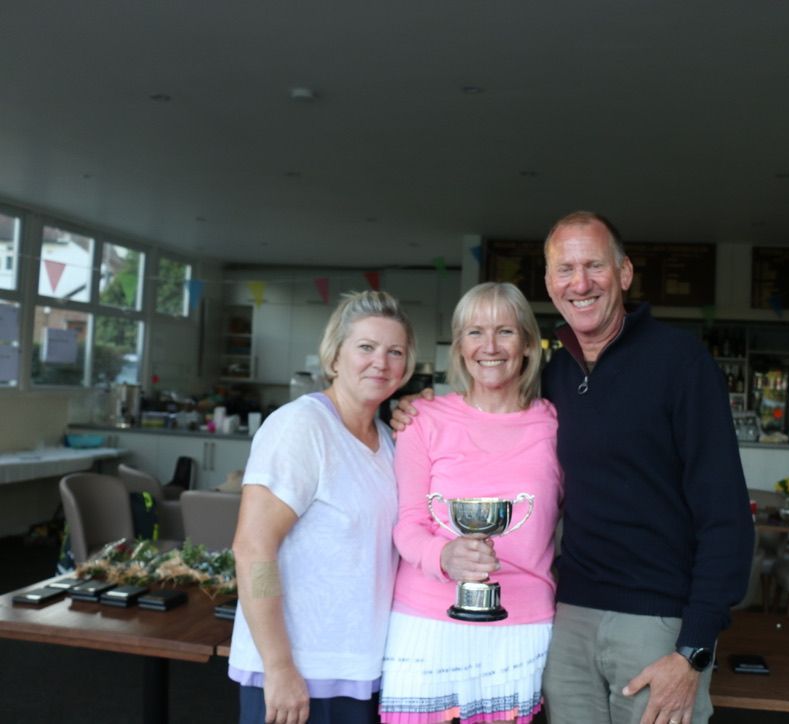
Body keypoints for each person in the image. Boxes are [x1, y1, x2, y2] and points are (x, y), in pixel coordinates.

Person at [393, 211, 753, 724]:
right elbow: (492, 412)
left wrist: (695, 646)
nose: (580, 284)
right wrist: (411, 405)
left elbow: (727, 516)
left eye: (594, 266)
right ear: (549, 282)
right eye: (565, 269)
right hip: (570, 619)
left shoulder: (681, 363)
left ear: (624, 273)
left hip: (658, 623)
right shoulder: (557, 378)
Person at [228, 290, 416, 724]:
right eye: (366, 347)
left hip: (360, 671)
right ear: (334, 357)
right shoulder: (301, 426)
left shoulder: (389, 441)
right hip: (297, 674)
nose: (380, 362)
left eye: (395, 352)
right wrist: (278, 665)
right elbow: (253, 550)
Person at [380, 282, 562, 724]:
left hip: (521, 625)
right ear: (460, 346)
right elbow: (408, 524)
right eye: (475, 332)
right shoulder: (422, 419)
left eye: (505, 331)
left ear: (527, 344)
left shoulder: (555, 423)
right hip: (427, 621)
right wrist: (444, 555)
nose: (490, 346)